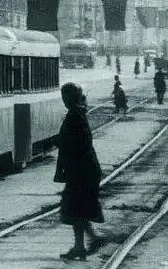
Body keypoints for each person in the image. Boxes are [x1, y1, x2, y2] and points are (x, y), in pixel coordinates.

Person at [55, 82, 103, 260]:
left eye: (64, 97)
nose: (63, 101)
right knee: (78, 209)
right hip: (83, 171)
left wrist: (63, 144)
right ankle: (87, 242)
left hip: (82, 172)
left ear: (69, 98)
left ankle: (86, 243)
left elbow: (82, 143)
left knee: (75, 209)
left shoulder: (75, 115)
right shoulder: (77, 113)